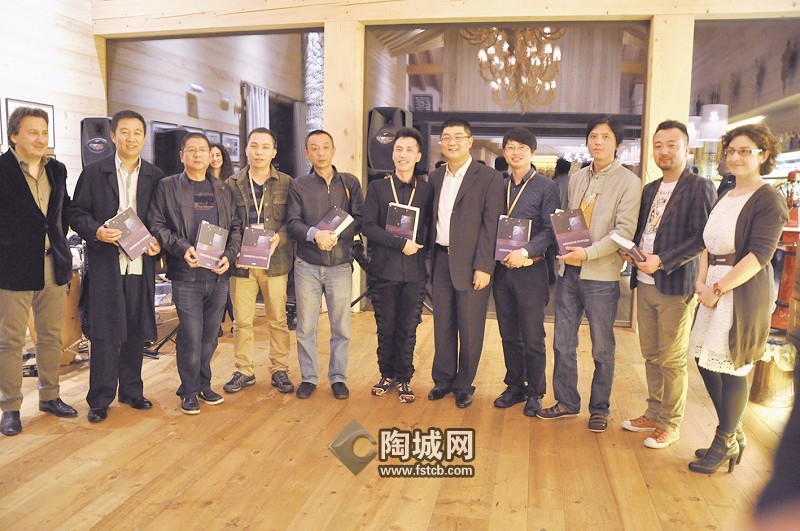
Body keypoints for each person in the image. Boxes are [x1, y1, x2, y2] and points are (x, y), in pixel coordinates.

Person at [688, 124, 787, 474]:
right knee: (703, 358)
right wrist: (701, 281)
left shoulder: (768, 198)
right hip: (712, 285)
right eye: (731, 150)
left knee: (732, 367)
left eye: (745, 151)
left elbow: (758, 256)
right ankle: (733, 431)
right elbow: (707, 243)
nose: (736, 157)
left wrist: (717, 289)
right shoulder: (726, 194)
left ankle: (725, 438)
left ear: (764, 155)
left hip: (741, 291)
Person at [537, 116, 641, 433]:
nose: (598, 142)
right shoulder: (578, 177)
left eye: (605, 137)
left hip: (602, 276)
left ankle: (600, 408)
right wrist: (566, 246)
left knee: (602, 347)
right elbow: (571, 220)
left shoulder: (629, 182)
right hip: (569, 271)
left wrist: (588, 253)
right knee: (563, 342)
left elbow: (623, 232)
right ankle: (567, 401)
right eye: (593, 136)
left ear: (617, 144)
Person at [621, 120, 716, 447]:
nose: (664, 151)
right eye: (658, 145)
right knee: (650, 354)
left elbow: (701, 238)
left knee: (672, 359)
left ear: (686, 149)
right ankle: (654, 412)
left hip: (676, 285)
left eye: (671, 145)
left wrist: (661, 260)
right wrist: (629, 248)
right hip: (644, 281)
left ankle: (670, 423)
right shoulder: (650, 188)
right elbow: (644, 231)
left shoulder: (700, 187)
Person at [69, 110, 165, 423]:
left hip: (139, 263)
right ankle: (100, 398)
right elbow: (76, 213)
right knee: (105, 332)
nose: (130, 138)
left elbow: (161, 221)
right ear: (112, 136)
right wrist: (96, 231)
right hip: (106, 263)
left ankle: (132, 391)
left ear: (144, 138)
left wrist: (157, 243)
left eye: (137, 132)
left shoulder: (155, 176)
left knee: (135, 329)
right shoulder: (94, 172)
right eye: (124, 132)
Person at [148, 133, 243, 415]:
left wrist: (230, 256)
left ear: (210, 155)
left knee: (210, 337)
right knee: (191, 336)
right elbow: (157, 224)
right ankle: (189, 391)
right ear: (182, 156)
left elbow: (236, 227)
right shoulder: (167, 186)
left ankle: (203, 384)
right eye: (192, 150)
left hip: (218, 275)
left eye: (203, 150)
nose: (198, 155)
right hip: (186, 274)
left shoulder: (224, 189)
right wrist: (183, 248)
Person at [0, 107, 78, 436]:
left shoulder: (57, 170)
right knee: (10, 341)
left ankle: (50, 396)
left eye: (44, 132)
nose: (40, 138)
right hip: (12, 266)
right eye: (33, 132)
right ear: (13, 135)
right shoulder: (2, 169)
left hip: (52, 263)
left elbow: (65, 210)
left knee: (50, 337)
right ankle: (10, 407)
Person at [427, 117, 504, 408]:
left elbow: (491, 225)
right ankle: (443, 380)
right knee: (443, 324)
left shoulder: (488, 178)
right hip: (440, 260)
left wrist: (484, 266)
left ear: (469, 142)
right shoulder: (435, 177)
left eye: (458, 137)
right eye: (446, 137)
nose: (452, 142)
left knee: (470, 328)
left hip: (473, 265)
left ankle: (464, 384)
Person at [286, 130, 363, 400]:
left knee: (341, 327)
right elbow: (292, 222)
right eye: (314, 148)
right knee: (305, 327)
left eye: (325, 147)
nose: (320, 152)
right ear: (307, 153)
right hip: (307, 265)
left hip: (339, 265)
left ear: (333, 150)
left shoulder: (349, 183)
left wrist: (337, 235)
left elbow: (360, 218)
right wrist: (314, 235)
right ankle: (308, 377)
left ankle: (338, 378)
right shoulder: (299, 185)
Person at [361, 127, 433, 403]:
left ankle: (404, 378)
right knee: (385, 326)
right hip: (384, 270)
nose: (403, 155)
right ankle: (386, 375)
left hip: (414, 272)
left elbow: (430, 226)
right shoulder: (378, 188)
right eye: (399, 150)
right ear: (392, 155)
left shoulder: (426, 190)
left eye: (409, 150)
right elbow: (368, 226)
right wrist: (399, 243)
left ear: (418, 156)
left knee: (408, 328)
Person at [491, 128, 560, 416]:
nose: (515, 152)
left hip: (531, 269)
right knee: (508, 333)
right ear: (504, 152)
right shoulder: (499, 185)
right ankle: (515, 386)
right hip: (502, 270)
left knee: (532, 336)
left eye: (522, 147)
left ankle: (535, 392)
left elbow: (550, 230)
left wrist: (526, 251)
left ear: (532, 152)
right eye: (510, 147)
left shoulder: (546, 187)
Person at [226, 128, 294, 394]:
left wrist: (280, 237)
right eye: (254, 146)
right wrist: (233, 250)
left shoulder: (287, 183)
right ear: (246, 149)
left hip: (275, 262)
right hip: (242, 265)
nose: (259, 152)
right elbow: (227, 223)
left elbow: (294, 220)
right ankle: (244, 370)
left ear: (274, 152)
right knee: (242, 321)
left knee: (277, 319)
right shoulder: (232, 184)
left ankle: (279, 369)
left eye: (265, 147)